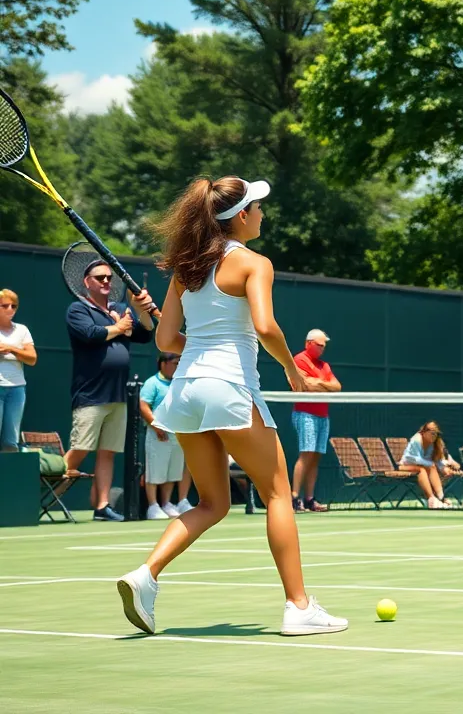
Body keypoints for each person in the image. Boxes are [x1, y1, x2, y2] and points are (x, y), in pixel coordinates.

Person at [116, 176, 346, 637]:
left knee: (213, 503)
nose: (262, 213)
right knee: (279, 492)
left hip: (186, 390)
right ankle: (299, 607)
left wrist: (196, 338)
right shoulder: (255, 264)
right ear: (241, 216)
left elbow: (165, 340)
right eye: (258, 206)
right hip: (230, 387)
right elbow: (265, 326)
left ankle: (145, 575)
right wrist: (292, 369)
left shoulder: (186, 270)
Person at [65, 260, 156, 521]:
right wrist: (118, 328)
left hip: (117, 394)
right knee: (80, 449)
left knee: (108, 453)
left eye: (108, 278)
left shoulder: (119, 309)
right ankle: (39, 499)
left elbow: (144, 334)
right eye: (100, 277)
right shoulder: (77, 309)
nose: (106, 281)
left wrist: (141, 311)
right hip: (90, 393)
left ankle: (102, 507)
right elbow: (91, 334)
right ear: (87, 282)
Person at [290, 328, 341, 513]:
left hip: (323, 415)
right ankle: (294, 498)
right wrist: (321, 385)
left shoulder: (324, 365)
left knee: (315, 457)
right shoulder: (299, 360)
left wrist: (318, 383)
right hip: (305, 414)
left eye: (324, 346)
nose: (321, 349)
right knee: (306, 454)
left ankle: (309, 499)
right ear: (308, 343)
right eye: (319, 345)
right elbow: (303, 386)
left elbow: (337, 387)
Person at [139, 353, 188, 520]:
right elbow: (143, 405)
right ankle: (153, 505)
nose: (177, 366)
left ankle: (166, 503)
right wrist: (156, 426)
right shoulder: (152, 383)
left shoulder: (179, 383)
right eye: (175, 363)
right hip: (157, 435)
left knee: (172, 471)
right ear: (163, 363)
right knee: (155, 471)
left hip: (177, 434)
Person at [0, 289, 36, 453]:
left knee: (10, 442)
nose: (10, 310)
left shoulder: (22, 330)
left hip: (17, 389)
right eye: (5, 306)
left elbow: (32, 358)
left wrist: (11, 349)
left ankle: (9, 478)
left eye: (13, 306)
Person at [399, 421, 460, 509]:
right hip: (404, 466)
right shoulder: (416, 440)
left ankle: (440, 498)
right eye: (432, 433)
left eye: (436, 434)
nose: (434, 436)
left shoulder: (432, 444)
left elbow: (435, 461)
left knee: (438, 470)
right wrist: (431, 464)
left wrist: (444, 469)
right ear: (424, 432)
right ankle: (431, 499)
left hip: (421, 467)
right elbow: (412, 458)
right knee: (422, 470)